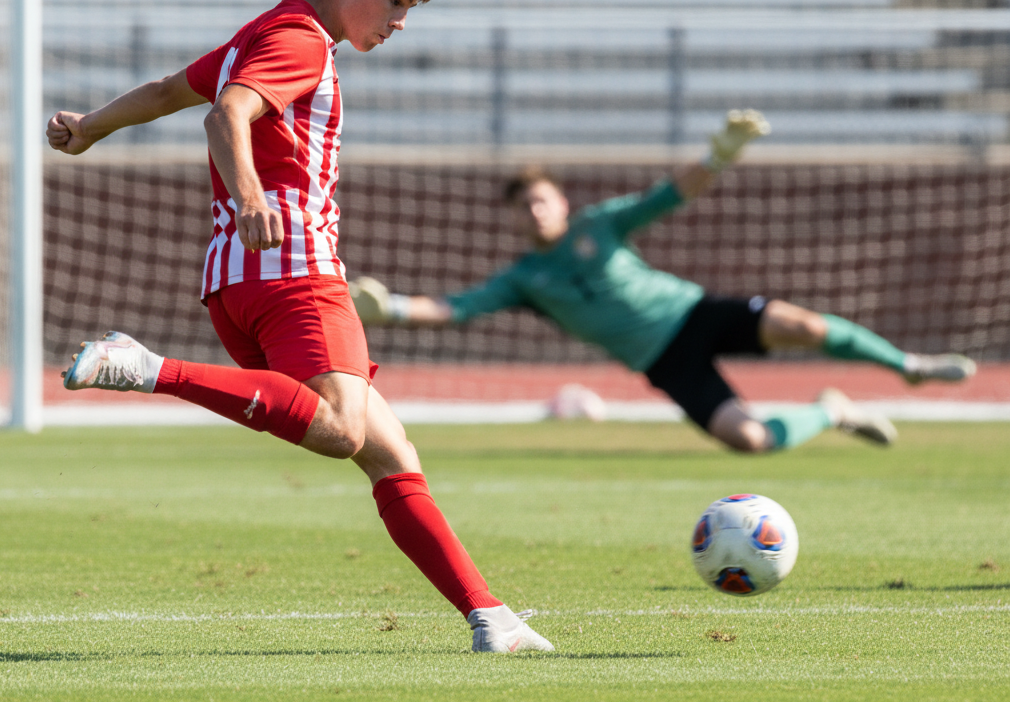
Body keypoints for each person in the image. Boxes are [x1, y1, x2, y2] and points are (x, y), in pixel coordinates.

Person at [46, 0, 552, 654]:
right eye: (396, 2)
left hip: (235, 286)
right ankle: (147, 366)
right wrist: (251, 196)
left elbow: (164, 92)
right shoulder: (300, 41)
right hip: (295, 272)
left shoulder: (265, 30)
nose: (401, 23)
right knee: (346, 430)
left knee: (390, 451)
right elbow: (227, 116)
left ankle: (491, 618)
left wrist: (92, 125)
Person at [350, 110, 976, 452]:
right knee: (750, 440)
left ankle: (908, 365)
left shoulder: (600, 223)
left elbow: (669, 195)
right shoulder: (526, 278)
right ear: (516, 219)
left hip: (694, 312)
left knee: (803, 325)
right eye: (524, 206)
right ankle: (831, 411)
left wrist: (719, 156)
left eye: (542, 200)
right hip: (663, 360)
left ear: (562, 203)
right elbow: (457, 308)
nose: (536, 210)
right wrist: (395, 309)